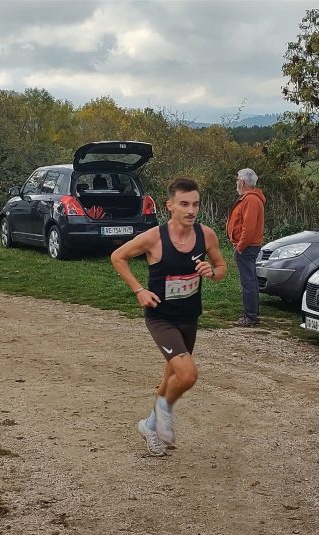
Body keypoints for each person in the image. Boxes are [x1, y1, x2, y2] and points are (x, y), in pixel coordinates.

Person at [111, 177, 227, 455]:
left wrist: (212, 272)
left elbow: (221, 268)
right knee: (187, 375)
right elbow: (117, 257)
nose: (191, 210)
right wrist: (139, 290)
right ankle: (164, 412)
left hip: (190, 316)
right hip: (161, 317)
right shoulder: (154, 237)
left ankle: (149, 426)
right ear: (170, 206)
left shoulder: (206, 235)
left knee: (171, 376)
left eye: (195, 204)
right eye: (184, 204)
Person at [226, 168, 266, 327]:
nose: (236, 182)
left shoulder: (251, 200)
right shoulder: (250, 198)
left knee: (248, 282)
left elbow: (248, 227)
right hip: (248, 246)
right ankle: (252, 315)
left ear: (242, 182)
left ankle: (251, 316)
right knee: (250, 280)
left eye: (237, 179)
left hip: (247, 247)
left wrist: (240, 247)